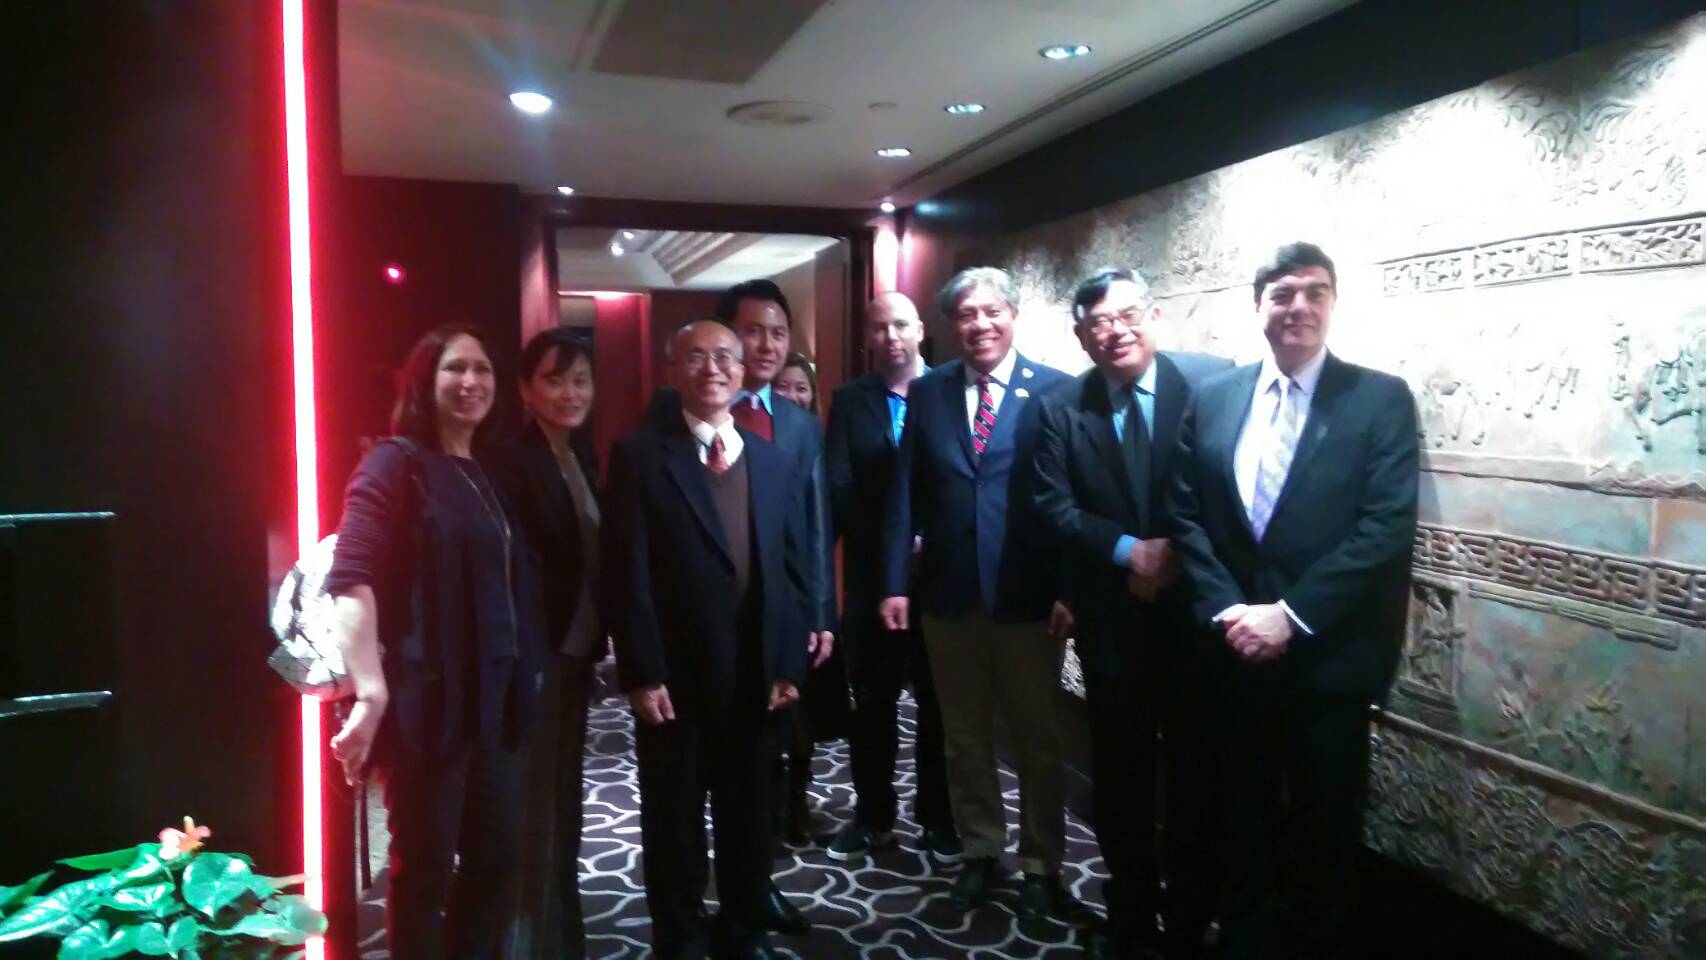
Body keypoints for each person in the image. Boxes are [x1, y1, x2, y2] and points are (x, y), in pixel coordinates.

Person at [1167, 242, 1419, 960]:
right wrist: (1229, 610)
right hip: (1231, 654)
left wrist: (1290, 615)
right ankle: (1243, 939)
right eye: (1282, 293)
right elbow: (1186, 512)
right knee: (1239, 816)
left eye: (1314, 292)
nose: (1298, 307)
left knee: (1323, 825)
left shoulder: (1379, 398)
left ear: (1333, 303)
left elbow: (1384, 526)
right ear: (1258, 307)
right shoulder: (1215, 397)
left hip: (1327, 659)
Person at [324, 325, 543, 959]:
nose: (471, 381)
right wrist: (370, 691)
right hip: (428, 706)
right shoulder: (396, 462)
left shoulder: (485, 471)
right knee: (424, 867)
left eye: (483, 370)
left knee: (496, 858)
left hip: (493, 705)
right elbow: (351, 572)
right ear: (425, 380)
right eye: (455, 368)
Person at [1032, 268, 1231, 959]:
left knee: (1198, 772)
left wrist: (1170, 555)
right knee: (1120, 772)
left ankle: (1191, 919)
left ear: (1153, 316)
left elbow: (1228, 487)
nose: (1115, 331)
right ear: (1082, 337)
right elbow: (1053, 504)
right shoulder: (1061, 407)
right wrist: (1128, 553)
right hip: (1112, 622)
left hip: (1196, 619)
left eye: (1126, 315)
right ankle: (1132, 915)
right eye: (1098, 323)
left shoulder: (1211, 385)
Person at [603, 320, 812, 960]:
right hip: (674, 677)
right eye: (696, 357)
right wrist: (641, 672)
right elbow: (626, 573)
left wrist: (788, 662)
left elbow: (793, 568)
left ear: (744, 373)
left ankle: (744, 930)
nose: (713, 368)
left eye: (725, 357)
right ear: (672, 373)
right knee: (675, 822)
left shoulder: (772, 461)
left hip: (754, 672)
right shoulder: (641, 457)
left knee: (749, 816)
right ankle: (681, 937)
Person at [880, 267, 1073, 919]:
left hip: (1028, 598)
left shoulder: (1055, 389)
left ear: (1013, 315)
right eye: (966, 315)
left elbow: (1069, 498)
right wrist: (893, 582)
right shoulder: (929, 392)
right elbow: (904, 492)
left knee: (1037, 738)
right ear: (951, 325)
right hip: (948, 594)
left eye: (991, 311)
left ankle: (1042, 863)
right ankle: (981, 849)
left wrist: (1070, 588)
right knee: (963, 737)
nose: (980, 325)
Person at [823, 291, 958, 865]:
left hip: (942, 577)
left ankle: (938, 817)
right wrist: (892, 548)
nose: (891, 337)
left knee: (940, 704)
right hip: (873, 579)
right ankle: (873, 815)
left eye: (900, 325)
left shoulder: (950, 390)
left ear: (920, 330)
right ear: (868, 338)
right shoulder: (851, 400)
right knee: (873, 704)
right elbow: (839, 486)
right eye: (879, 328)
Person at [716, 281, 833, 938]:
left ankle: (756, 890)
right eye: (753, 331)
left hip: (779, 619)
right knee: (709, 773)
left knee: (767, 763)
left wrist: (820, 613)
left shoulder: (798, 424)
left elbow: (815, 525)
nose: (766, 345)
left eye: (778, 333)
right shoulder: (696, 410)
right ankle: (709, 903)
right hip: (711, 624)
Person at [499, 327, 601, 957]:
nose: (570, 393)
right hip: (538, 659)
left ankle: (561, 935)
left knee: (562, 801)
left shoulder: (578, 456)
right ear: (526, 390)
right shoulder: (513, 462)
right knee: (535, 808)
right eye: (555, 380)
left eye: (580, 380)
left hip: (575, 652)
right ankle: (528, 943)